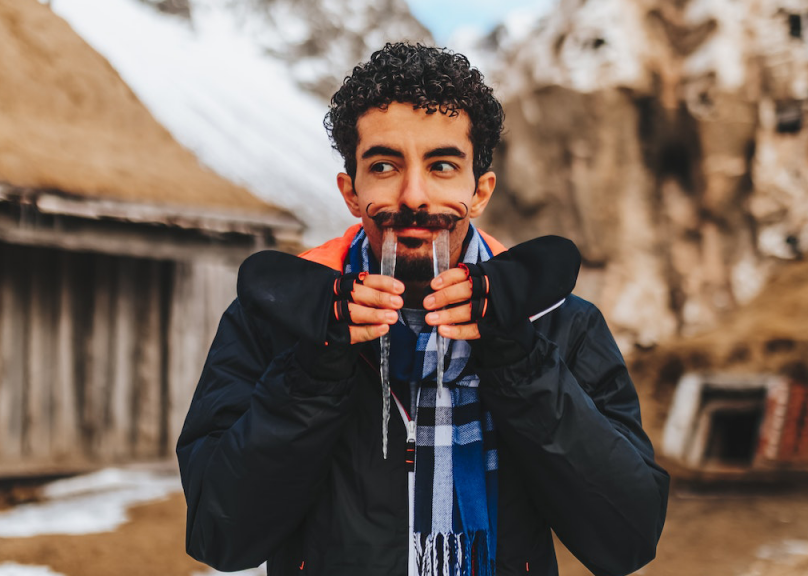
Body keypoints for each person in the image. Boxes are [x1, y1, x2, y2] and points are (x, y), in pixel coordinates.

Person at [177, 42, 669, 576]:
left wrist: (518, 358)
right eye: (384, 165)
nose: (414, 195)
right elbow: (221, 537)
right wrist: (315, 364)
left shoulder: (558, 323)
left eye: (442, 165)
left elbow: (627, 539)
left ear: (480, 192)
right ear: (351, 192)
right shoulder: (276, 322)